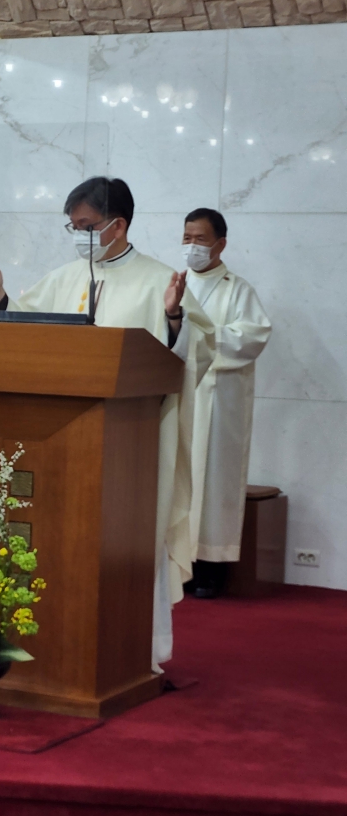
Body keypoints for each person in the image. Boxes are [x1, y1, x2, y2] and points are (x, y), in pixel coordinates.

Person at [0, 176, 214, 669]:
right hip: (64, 442)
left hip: (131, 445)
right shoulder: (63, 279)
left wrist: (174, 319)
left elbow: (196, 354)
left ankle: (133, 650)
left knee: (127, 538)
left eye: (86, 226)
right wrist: (1, 299)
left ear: (118, 225)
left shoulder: (160, 281)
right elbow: (30, 334)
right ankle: (59, 642)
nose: (79, 236)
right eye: (73, 227)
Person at [183, 208, 272, 598]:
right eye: (187, 238)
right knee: (181, 480)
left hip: (219, 401)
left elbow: (252, 336)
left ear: (220, 244)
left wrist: (204, 336)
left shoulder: (238, 289)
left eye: (200, 239)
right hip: (181, 395)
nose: (192, 246)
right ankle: (179, 564)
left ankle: (211, 567)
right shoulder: (175, 284)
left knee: (215, 481)